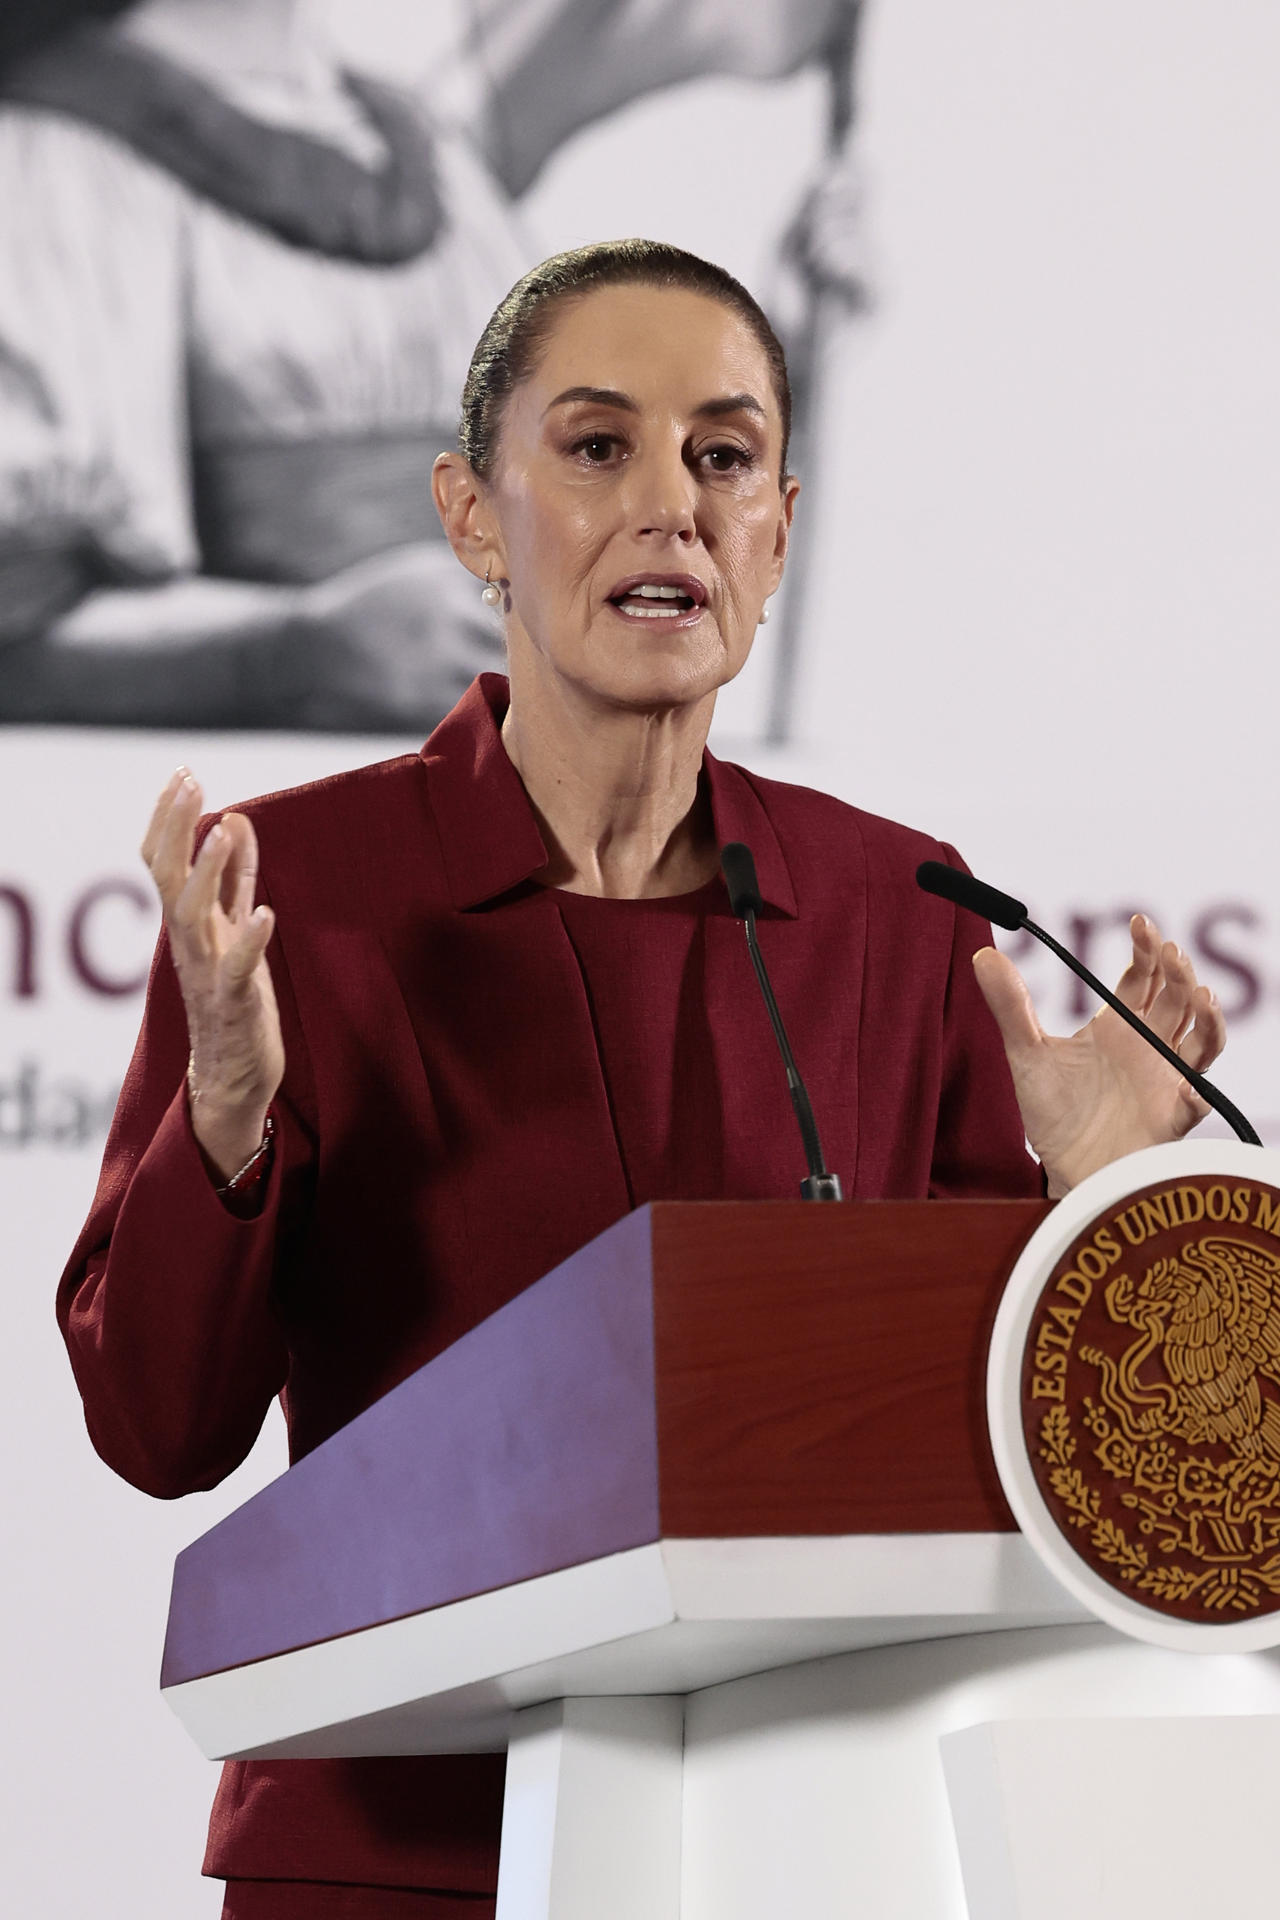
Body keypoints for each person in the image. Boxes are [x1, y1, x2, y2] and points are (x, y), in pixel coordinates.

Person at [57, 241, 1226, 1917]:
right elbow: (156, 1433)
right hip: (400, 1853)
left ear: (779, 531)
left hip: (813, 1844)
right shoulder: (293, 894)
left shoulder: (903, 914)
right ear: (472, 516)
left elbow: (1009, 1472)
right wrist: (224, 1118)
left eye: (724, 456)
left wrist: (1085, 1213)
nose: (671, 504)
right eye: (598, 447)